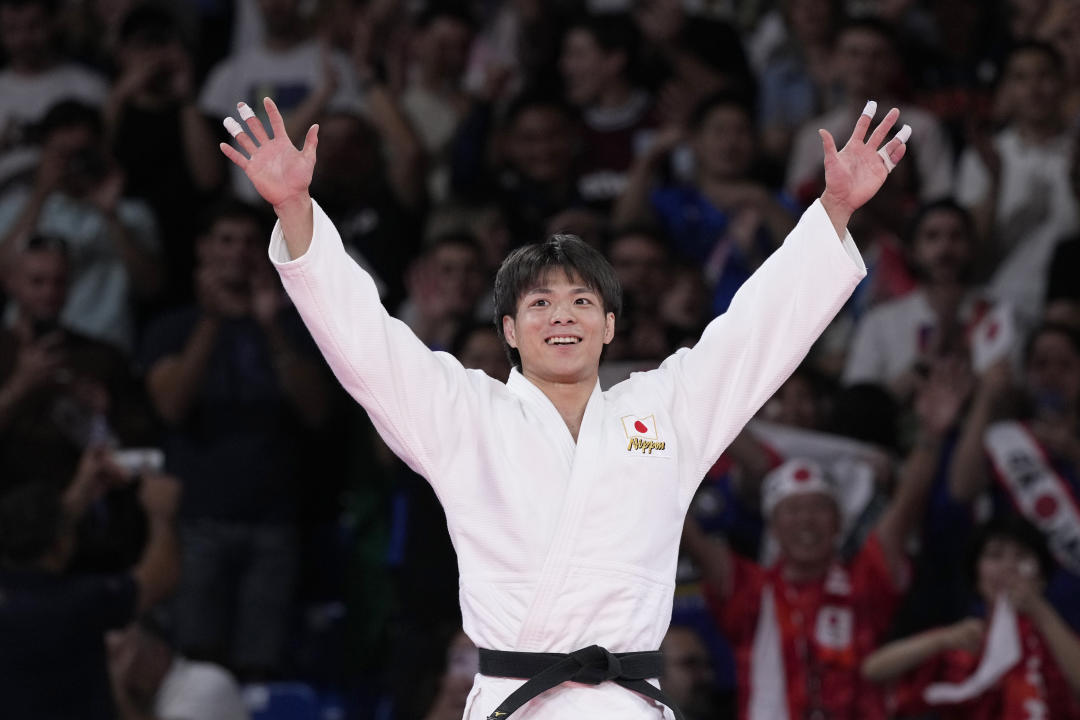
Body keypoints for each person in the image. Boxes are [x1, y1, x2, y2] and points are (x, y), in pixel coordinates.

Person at [219, 92, 910, 718]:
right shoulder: (464, 414)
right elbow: (364, 342)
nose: (563, 317)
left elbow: (758, 332)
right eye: (539, 303)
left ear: (609, 326)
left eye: (582, 302)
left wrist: (835, 213)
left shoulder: (665, 410)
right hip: (515, 705)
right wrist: (295, 212)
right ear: (510, 332)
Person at [140, 199, 330, 678]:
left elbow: (317, 411)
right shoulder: (174, 327)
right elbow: (171, 406)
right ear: (204, 249)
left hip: (276, 520)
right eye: (226, 240)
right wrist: (211, 319)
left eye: (249, 242)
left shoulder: (294, 325)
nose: (238, 253)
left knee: (261, 666)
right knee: (195, 660)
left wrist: (269, 327)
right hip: (198, 517)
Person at [0, 449, 181, 720]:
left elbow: (40, 536)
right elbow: (159, 578)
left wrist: (81, 491)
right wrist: (161, 516)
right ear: (60, 544)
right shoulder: (76, 602)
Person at [862, 515, 1080, 718]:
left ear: (1041, 577)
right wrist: (941, 640)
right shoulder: (965, 636)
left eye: (1021, 556)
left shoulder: (1057, 637)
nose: (1008, 567)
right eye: (995, 555)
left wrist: (1040, 611)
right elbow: (873, 669)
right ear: (976, 574)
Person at [107, 619, 249, 720]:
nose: (119, 669)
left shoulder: (206, 682)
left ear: (158, 652)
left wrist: (119, 694)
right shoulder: (143, 701)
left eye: (121, 655)